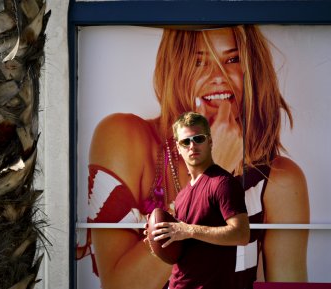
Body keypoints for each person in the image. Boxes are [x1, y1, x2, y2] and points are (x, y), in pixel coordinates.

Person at [79, 25, 309, 289]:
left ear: (253, 72)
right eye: (198, 61)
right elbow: (119, 285)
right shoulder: (124, 138)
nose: (218, 75)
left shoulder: (280, 181)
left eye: (232, 59)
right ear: (174, 68)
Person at [149, 111, 250, 289]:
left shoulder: (223, 183)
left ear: (210, 142)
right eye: (185, 141)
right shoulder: (182, 195)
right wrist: (159, 236)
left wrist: (188, 230)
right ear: (178, 148)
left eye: (199, 138)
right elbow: (184, 248)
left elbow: (241, 234)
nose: (192, 145)